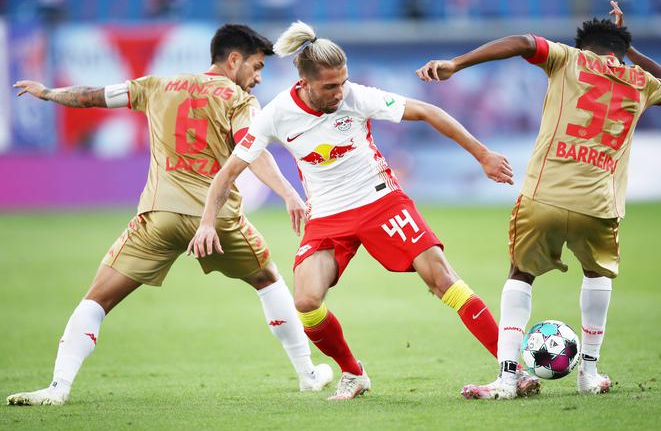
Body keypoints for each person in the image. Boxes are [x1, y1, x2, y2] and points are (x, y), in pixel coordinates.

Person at [187, 21, 541, 400]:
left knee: (441, 278)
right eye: (330, 87)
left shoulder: (355, 96)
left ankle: (513, 370)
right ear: (304, 83)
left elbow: (427, 111)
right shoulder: (275, 114)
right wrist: (207, 221)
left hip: (380, 202)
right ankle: (354, 374)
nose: (340, 92)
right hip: (326, 216)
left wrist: (482, 154)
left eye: (343, 82)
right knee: (305, 302)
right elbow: (229, 172)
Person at [7, 24, 333, 406]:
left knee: (97, 300)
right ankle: (309, 374)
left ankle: (58, 387)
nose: (258, 78)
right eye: (257, 67)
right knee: (268, 279)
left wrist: (47, 93)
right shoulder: (239, 100)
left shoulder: (158, 85)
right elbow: (253, 149)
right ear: (233, 60)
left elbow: (94, 95)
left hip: (158, 215)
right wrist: (289, 194)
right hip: (216, 221)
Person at [416, 0, 661, 399]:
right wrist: (632, 49)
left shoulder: (568, 59)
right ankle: (589, 375)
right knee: (597, 276)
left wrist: (457, 63)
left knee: (520, 274)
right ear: (620, 52)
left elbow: (524, 41)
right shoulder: (640, 81)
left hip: (544, 195)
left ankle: (507, 379)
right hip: (599, 204)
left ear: (584, 45)